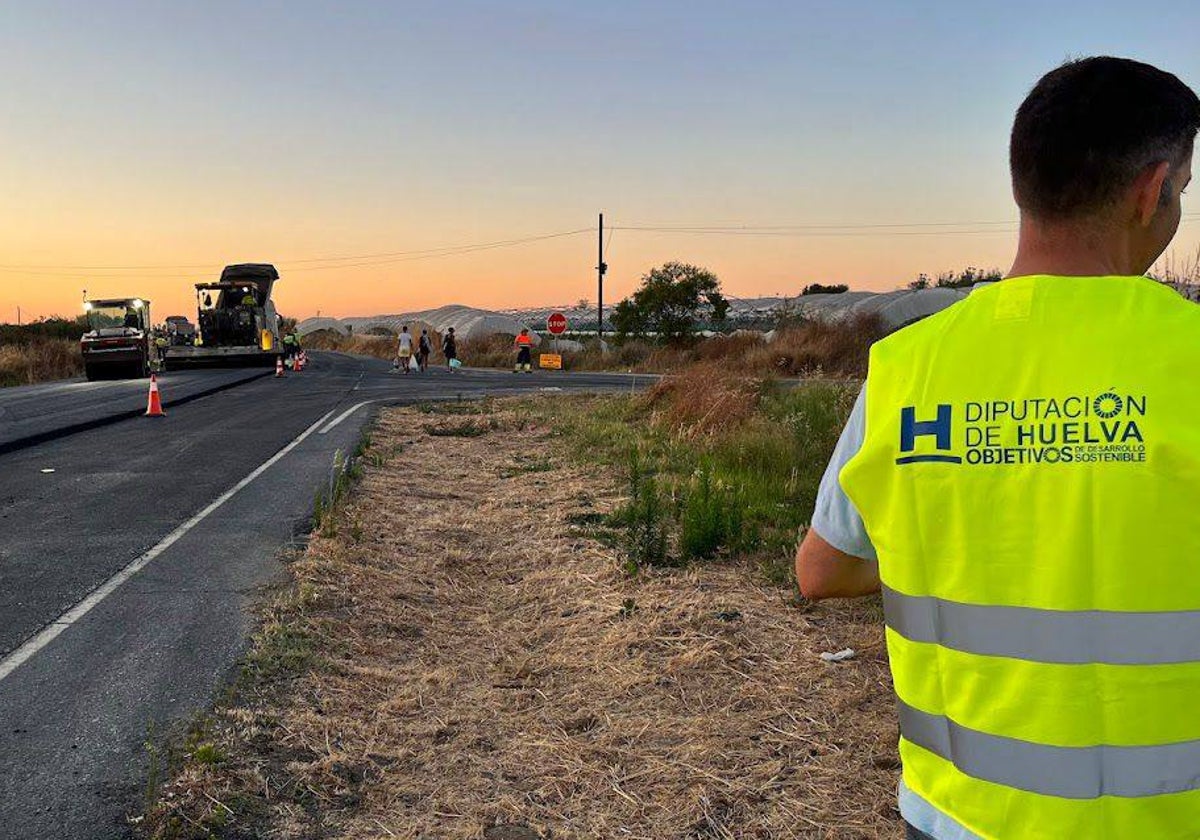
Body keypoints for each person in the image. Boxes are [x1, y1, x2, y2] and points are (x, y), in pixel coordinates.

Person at [796, 57, 1199, 840]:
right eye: (1182, 189)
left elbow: (821, 570)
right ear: (1152, 190)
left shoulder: (905, 368)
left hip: (951, 816)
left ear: (1025, 185)